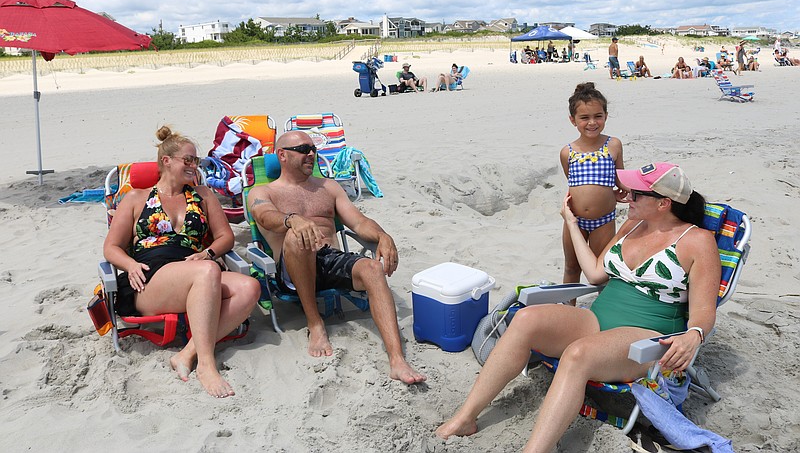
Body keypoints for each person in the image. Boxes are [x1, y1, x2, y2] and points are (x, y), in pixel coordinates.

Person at [436, 163, 721, 452]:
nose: (626, 197)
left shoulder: (697, 242)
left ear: (663, 203)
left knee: (577, 354)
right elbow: (596, 274)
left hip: (647, 339)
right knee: (525, 319)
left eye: (636, 193)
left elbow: (704, 312)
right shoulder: (633, 225)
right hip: (597, 322)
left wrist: (694, 334)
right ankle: (465, 418)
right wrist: (572, 224)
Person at [246, 131, 426, 384]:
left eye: (313, 148)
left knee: (373, 269)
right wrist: (292, 220)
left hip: (330, 259)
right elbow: (264, 215)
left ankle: (397, 360)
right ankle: (315, 323)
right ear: (282, 156)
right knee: (297, 237)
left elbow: (359, 222)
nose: (311, 153)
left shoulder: (328, 187)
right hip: (290, 269)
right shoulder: (263, 191)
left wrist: (383, 236)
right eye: (303, 149)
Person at [103, 126, 261, 398]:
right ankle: (207, 365)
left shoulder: (203, 195)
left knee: (250, 287)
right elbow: (111, 247)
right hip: (150, 279)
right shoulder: (136, 198)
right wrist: (129, 265)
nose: (193, 166)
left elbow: (225, 237)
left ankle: (187, 353)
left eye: (196, 161)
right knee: (206, 272)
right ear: (166, 161)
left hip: (198, 269)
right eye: (187, 160)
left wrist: (208, 253)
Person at [559, 83, 625, 295]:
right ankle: (568, 311)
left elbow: (620, 180)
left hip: (603, 220)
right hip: (574, 220)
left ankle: (603, 312)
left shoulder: (613, 145)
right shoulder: (567, 152)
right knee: (571, 267)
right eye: (584, 118)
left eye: (598, 116)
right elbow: (575, 184)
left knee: (601, 270)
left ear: (606, 116)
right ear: (573, 120)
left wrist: (615, 193)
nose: (592, 123)